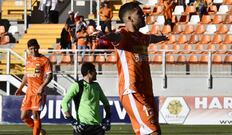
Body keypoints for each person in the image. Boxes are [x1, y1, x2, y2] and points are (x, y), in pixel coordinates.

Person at [101, 2, 169, 135]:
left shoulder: (142, 37)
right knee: (153, 132)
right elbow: (115, 37)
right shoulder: (123, 35)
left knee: (149, 132)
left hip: (147, 91)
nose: (143, 15)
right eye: (139, 13)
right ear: (129, 19)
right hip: (132, 90)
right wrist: (106, 36)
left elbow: (151, 38)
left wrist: (160, 38)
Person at [15, 38, 53, 135]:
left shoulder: (45, 60)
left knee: (36, 116)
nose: (34, 50)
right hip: (29, 92)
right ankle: (40, 131)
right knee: (23, 117)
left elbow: (50, 76)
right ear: (28, 49)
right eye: (31, 49)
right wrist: (20, 88)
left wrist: (42, 87)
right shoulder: (28, 60)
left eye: (35, 48)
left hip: (38, 92)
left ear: (38, 47)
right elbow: (26, 76)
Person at [61, 62, 111, 135]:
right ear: (89, 72)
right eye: (95, 71)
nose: (96, 73)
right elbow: (64, 102)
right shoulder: (77, 85)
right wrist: (72, 121)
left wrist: (107, 118)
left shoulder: (96, 86)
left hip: (98, 127)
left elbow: (106, 103)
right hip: (82, 127)